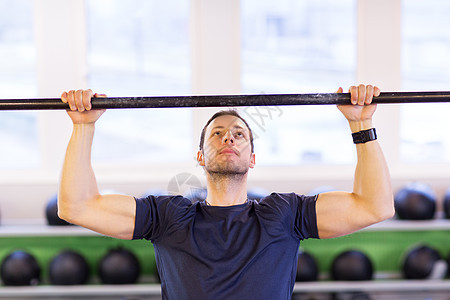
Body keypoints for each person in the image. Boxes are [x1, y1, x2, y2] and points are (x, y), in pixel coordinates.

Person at [58, 85, 394, 299]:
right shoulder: (169, 217)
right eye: (217, 134)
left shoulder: (283, 214)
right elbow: (77, 207)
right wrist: (83, 126)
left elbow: (375, 206)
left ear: (252, 158)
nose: (228, 138)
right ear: (201, 157)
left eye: (238, 134)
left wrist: (361, 125)